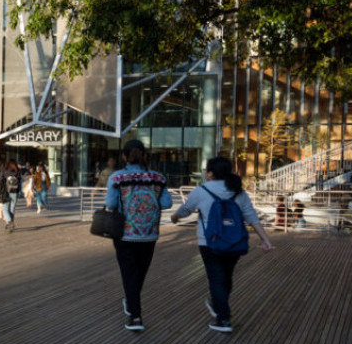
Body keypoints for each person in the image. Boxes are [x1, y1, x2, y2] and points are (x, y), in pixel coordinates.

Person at [171, 156, 273, 333]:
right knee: (226, 276)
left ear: (210, 173)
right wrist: (265, 239)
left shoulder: (202, 190)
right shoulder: (237, 191)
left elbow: (185, 210)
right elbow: (251, 216)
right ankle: (219, 305)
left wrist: (175, 217)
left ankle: (223, 319)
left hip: (209, 243)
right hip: (234, 242)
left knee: (216, 279)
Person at [106, 140, 172, 332]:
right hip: (150, 234)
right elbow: (167, 203)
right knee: (140, 273)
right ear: (144, 155)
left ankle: (135, 316)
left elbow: (110, 204)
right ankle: (132, 303)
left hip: (125, 233)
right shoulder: (158, 178)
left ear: (124, 156)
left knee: (129, 274)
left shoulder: (117, 178)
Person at [0, 160, 21, 232]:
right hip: (14, 193)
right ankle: (11, 222)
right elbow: (19, 183)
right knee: (12, 208)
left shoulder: (5, 172)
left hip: (6, 192)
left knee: (5, 209)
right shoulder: (17, 172)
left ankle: (9, 222)